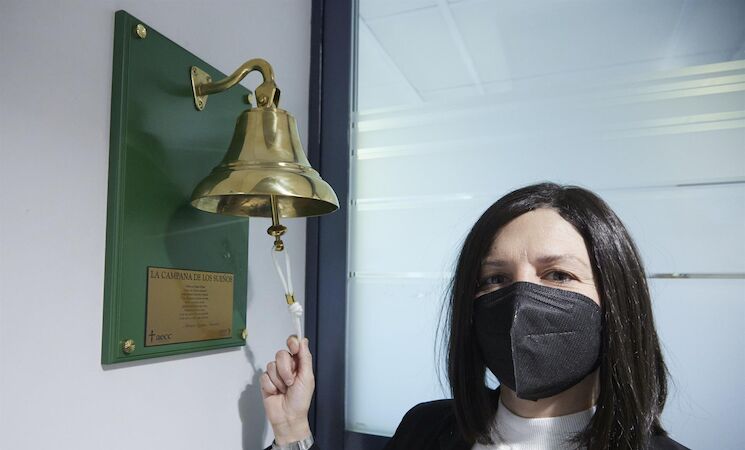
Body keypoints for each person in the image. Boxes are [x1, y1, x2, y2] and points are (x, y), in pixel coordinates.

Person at [259, 183, 689, 450]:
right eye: (495, 279)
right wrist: (292, 428)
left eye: (558, 275)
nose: (520, 302)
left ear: (616, 302)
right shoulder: (427, 428)